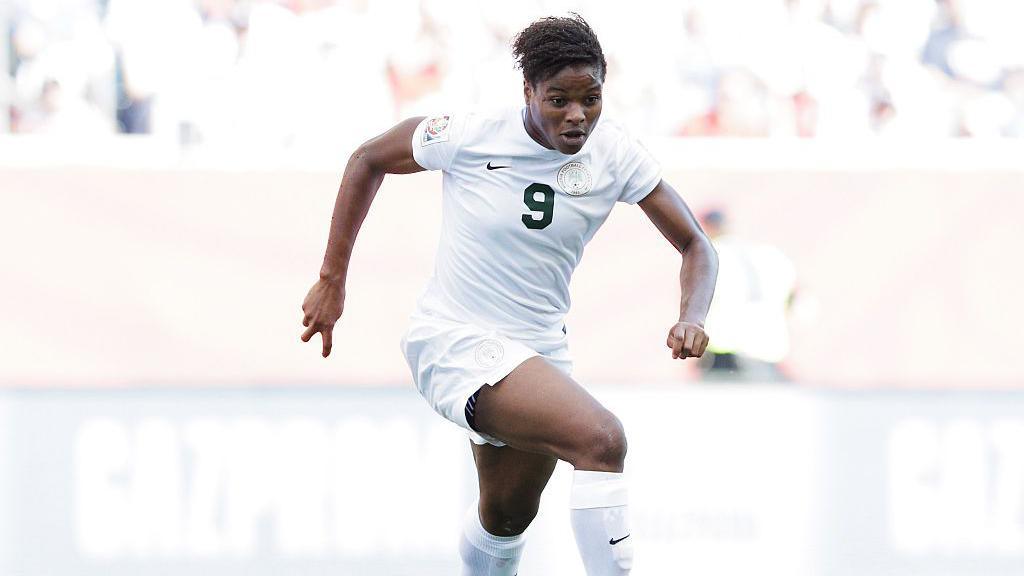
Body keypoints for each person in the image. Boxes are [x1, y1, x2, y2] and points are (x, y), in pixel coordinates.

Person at [300, 14, 718, 576]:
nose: (577, 115)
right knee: (602, 440)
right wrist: (332, 279)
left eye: (591, 99)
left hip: (539, 349)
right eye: (558, 100)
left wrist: (693, 315)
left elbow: (696, 244)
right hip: (455, 338)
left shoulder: (615, 153)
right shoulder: (470, 134)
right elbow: (367, 159)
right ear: (528, 92)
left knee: (505, 517)